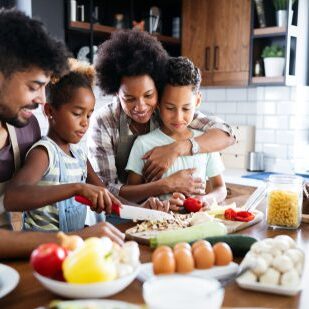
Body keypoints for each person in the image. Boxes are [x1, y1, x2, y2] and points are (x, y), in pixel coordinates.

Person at [0, 9, 124, 258]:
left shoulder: (25, 129)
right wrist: (75, 239)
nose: (41, 99)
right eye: (34, 87)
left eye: (45, 87)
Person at [88, 30, 234, 207]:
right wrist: (165, 185)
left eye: (148, 95)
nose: (141, 107)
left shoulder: (168, 110)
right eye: (129, 98)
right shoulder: (104, 122)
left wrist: (176, 148)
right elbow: (106, 190)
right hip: (117, 214)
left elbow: (227, 134)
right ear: (115, 92)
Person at [4, 59, 122, 232]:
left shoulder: (80, 156)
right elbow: (12, 197)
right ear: (50, 111)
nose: (85, 123)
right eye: (77, 113)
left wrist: (145, 209)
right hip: (39, 248)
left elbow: (107, 196)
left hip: (70, 245)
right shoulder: (44, 153)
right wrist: (76, 188)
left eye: (89, 115)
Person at [126, 57, 227, 210]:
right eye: (170, 108)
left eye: (186, 108)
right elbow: (129, 195)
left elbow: (220, 188)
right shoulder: (143, 144)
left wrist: (207, 199)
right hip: (157, 227)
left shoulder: (204, 142)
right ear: (158, 103)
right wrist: (158, 203)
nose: (178, 117)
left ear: (198, 101)